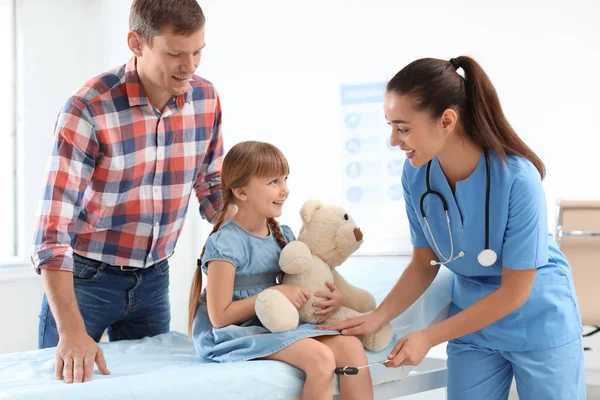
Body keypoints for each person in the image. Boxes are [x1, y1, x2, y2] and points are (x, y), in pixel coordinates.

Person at [319, 56, 586, 399]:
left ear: (446, 120)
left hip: (536, 318)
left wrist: (429, 337)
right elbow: (424, 263)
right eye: (389, 126)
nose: (392, 140)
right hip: (473, 324)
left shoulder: (518, 179)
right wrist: (376, 317)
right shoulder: (416, 174)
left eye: (402, 128)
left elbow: (515, 292)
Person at [31, 0, 224, 385]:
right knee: (64, 388)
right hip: (87, 279)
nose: (189, 67)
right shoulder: (87, 108)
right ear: (136, 43)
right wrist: (70, 331)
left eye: (198, 52)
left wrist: (259, 234)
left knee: (152, 390)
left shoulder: (205, 99)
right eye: (175, 54)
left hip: (154, 278)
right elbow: (52, 232)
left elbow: (211, 185)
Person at [189, 141, 374, 400]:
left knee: (352, 347)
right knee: (321, 359)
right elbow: (220, 317)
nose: (285, 190)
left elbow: (311, 276)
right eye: (273, 182)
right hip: (232, 333)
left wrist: (335, 299)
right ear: (241, 191)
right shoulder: (226, 243)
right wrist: (277, 293)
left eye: (285, 179)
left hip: (271, 323)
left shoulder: (282, 235)